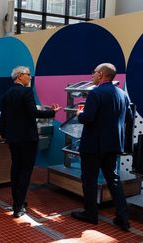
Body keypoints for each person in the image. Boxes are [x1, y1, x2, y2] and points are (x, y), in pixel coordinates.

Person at [71, 63, 132, 232]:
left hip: (92, 146)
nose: (92, 75)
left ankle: (91, 214)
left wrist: (79, 114)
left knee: (89, 180)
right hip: (112, 145)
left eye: (94, 72)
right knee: (113, 180)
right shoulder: (122, 94)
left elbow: (88, 118)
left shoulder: (95, 93)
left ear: (101, 74)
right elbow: (128, 117)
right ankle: (123, 218)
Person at [0, 66, 60, 218]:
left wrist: (4, 134)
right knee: (25, 171)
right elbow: (33, 113)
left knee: (16, 169)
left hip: (13, 138)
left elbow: (3, 118)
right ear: (19, 76)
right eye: (28, 75)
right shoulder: (26, 92)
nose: (30, 78)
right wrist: (52, 112)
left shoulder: (7, 94)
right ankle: (19, 206)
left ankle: (17, 200)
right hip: (27, 138)